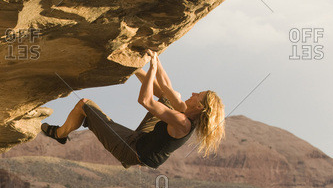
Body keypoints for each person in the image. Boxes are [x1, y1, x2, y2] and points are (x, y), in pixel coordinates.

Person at [41, 52, 225, 168]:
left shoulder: (183, 123)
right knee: (170, 97)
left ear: (199, 107)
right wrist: (155, 58)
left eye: (197, 95)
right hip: (142, 139)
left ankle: (59, 134)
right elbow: (166, 87)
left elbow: (145, 100)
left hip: (131, 151)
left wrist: (152, 69)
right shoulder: (186, 111)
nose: (193, 93)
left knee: (84, 104)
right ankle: (134, 69)